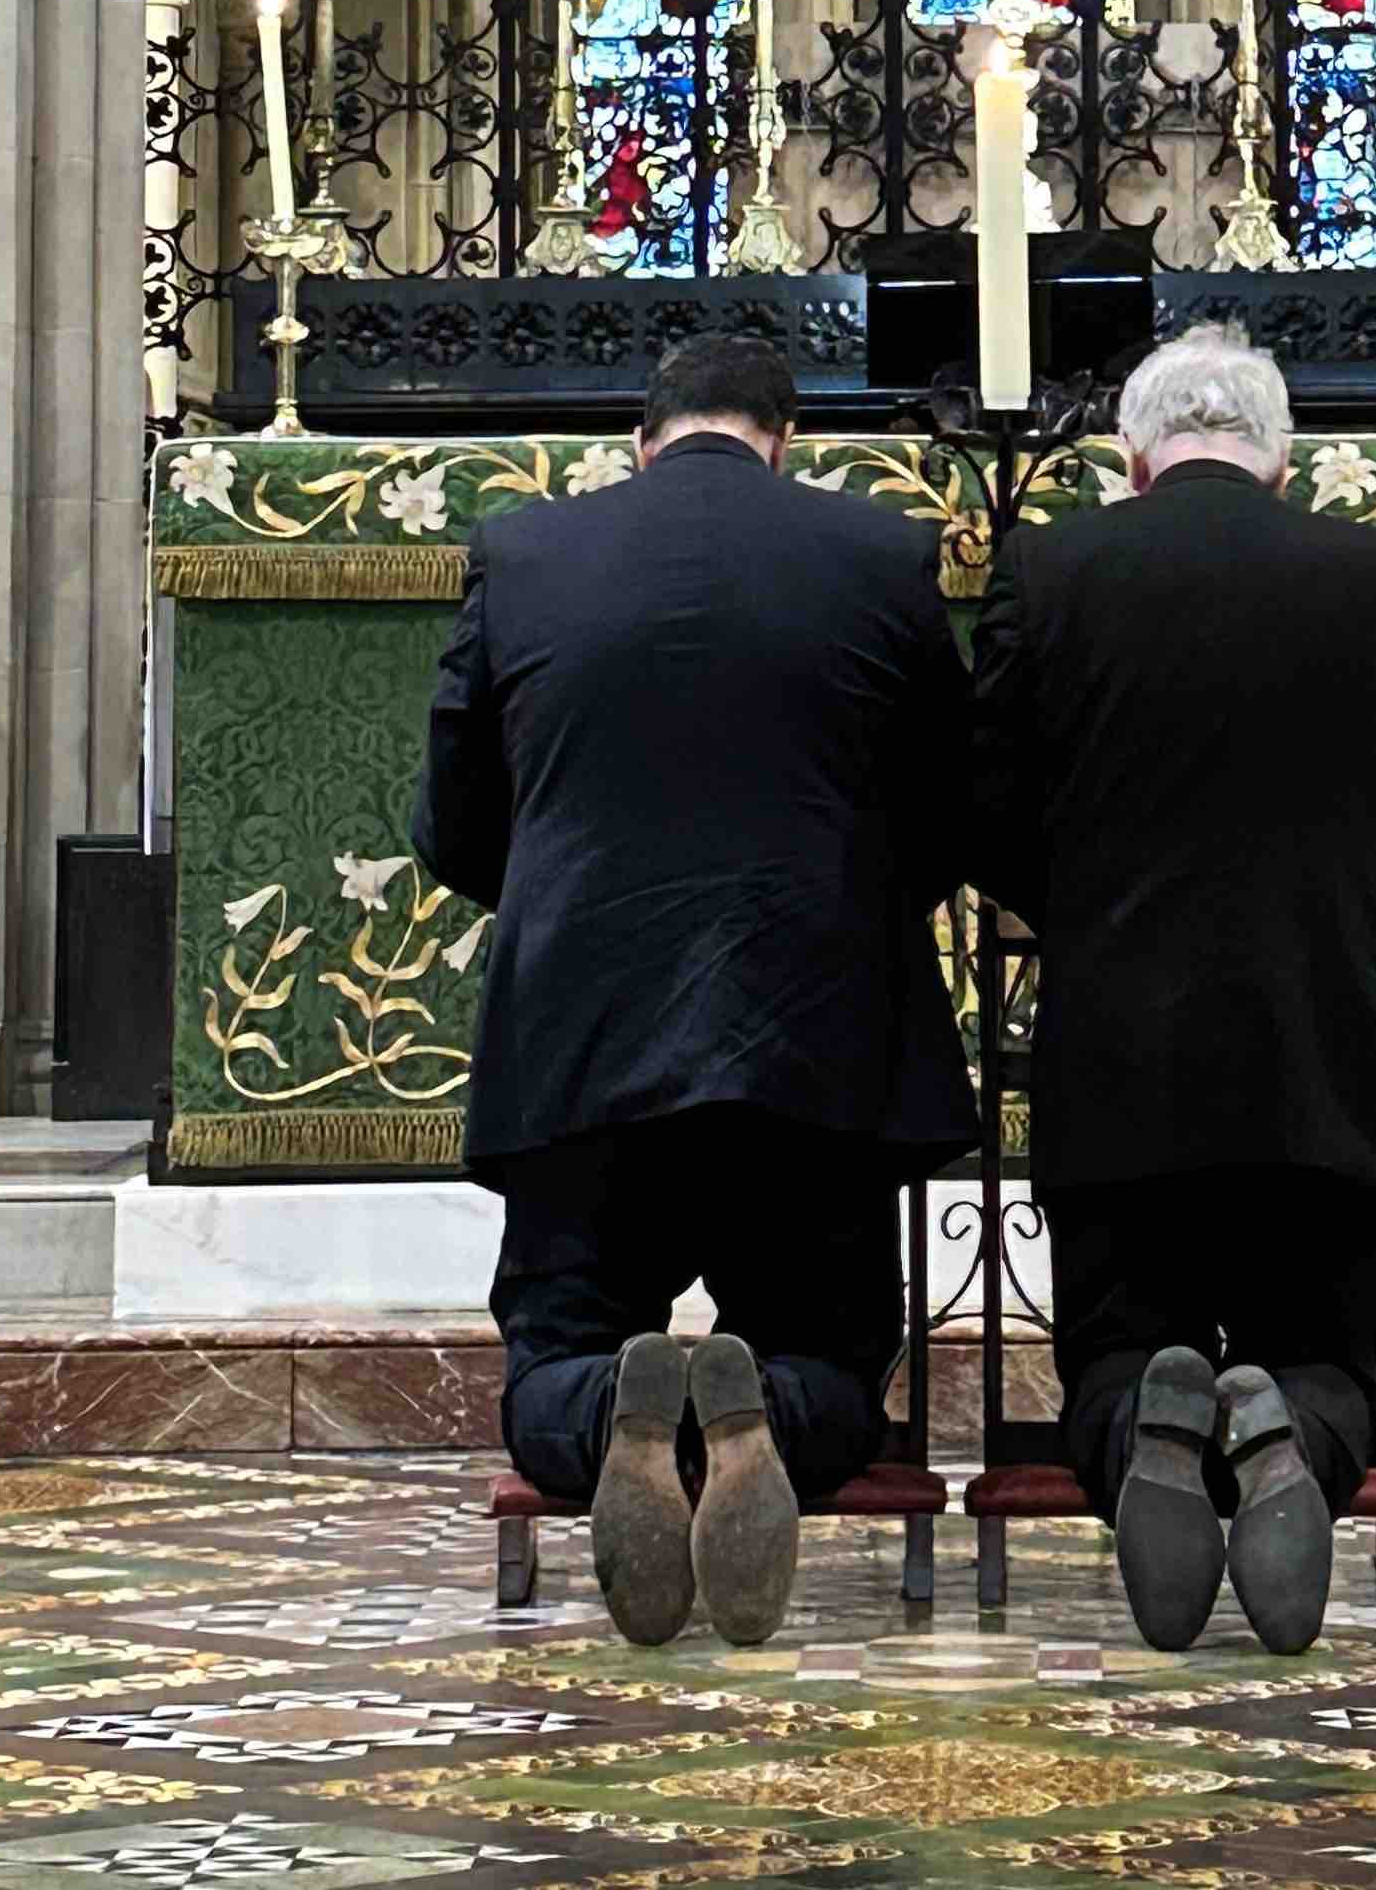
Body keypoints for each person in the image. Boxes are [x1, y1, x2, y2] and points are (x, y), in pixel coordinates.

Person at [409, 331, 974, 1649]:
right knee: (836, 1362)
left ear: (638, 440)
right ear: (792, 446)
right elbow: (953, 814)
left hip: (582, 1043)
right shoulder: (876, 555)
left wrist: (569, 906)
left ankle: (618, 1412)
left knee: (553, 1350)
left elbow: (453, 821)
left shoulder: (526, 552)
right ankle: (760, 1414)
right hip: (817, 1044)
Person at [970, 322, 1376, 1654]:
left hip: (1121, 1067)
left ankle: (1152, 1415)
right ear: (1282, 462)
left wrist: (1084, 909)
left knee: (1114, 1347)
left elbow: (985, 816)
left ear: (1132, 462)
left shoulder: (1051, 568)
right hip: (1328, 1064)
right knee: (1329, 1354)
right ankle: (1284, 1430)